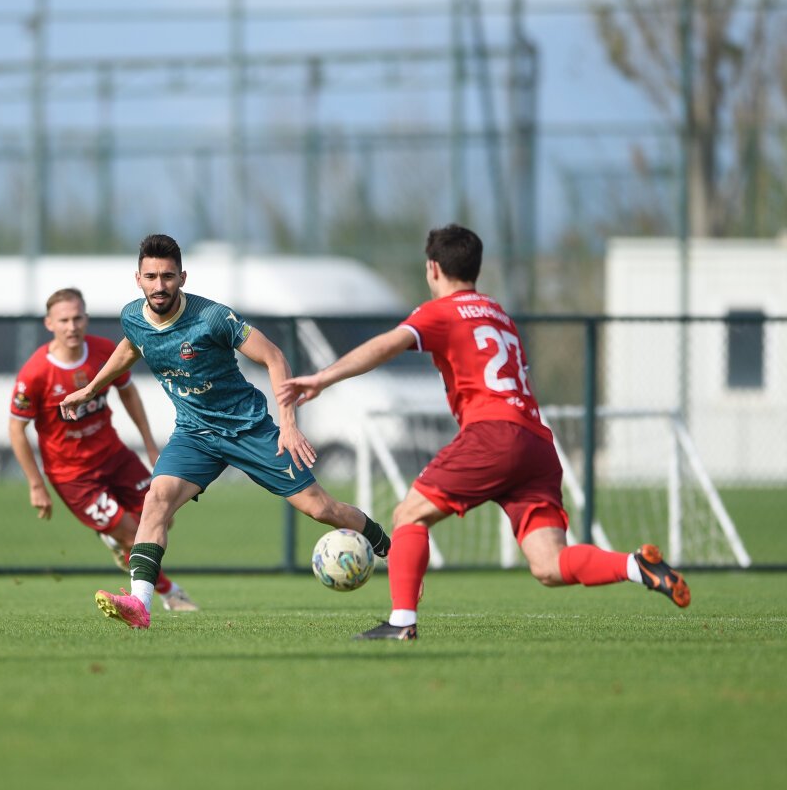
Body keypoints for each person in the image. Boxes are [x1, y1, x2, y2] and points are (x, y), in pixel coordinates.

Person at [278, 223, 691, 641]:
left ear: (433, 268)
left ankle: (401, 622)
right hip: (536, 442)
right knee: (549, 564)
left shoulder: (441, 311)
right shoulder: (500, 315)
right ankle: (635, 566)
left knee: (408, 515)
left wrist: (323, 378)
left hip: (493, 434)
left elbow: (387, 344)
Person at [60, 233, 391, 629]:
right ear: (138, 279)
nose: (159, 285)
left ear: (182, 277)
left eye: (167, 276)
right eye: (151, 277)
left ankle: (391, 549)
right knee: (157, 499)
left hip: (248, 428)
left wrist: (288, 425)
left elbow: (274, 356)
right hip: (194, 434)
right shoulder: (132, 316)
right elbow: (132, 346)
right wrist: (91, 389)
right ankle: (139, 604)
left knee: (321, 509)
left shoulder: (213, 317)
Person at [8, 287, 198, 612]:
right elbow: (16, 429)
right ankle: (171, 594)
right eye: (64, 320)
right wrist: (36, 484)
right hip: (73, 476)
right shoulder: (36, 372)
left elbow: (128, 393)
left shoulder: (104, 351)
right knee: (132, 535)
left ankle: (114, 540)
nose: (72, 326)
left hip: (114, 457)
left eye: (77, 318)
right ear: (49, 323)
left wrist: (150, 446)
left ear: (86, 318)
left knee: (163, 517)